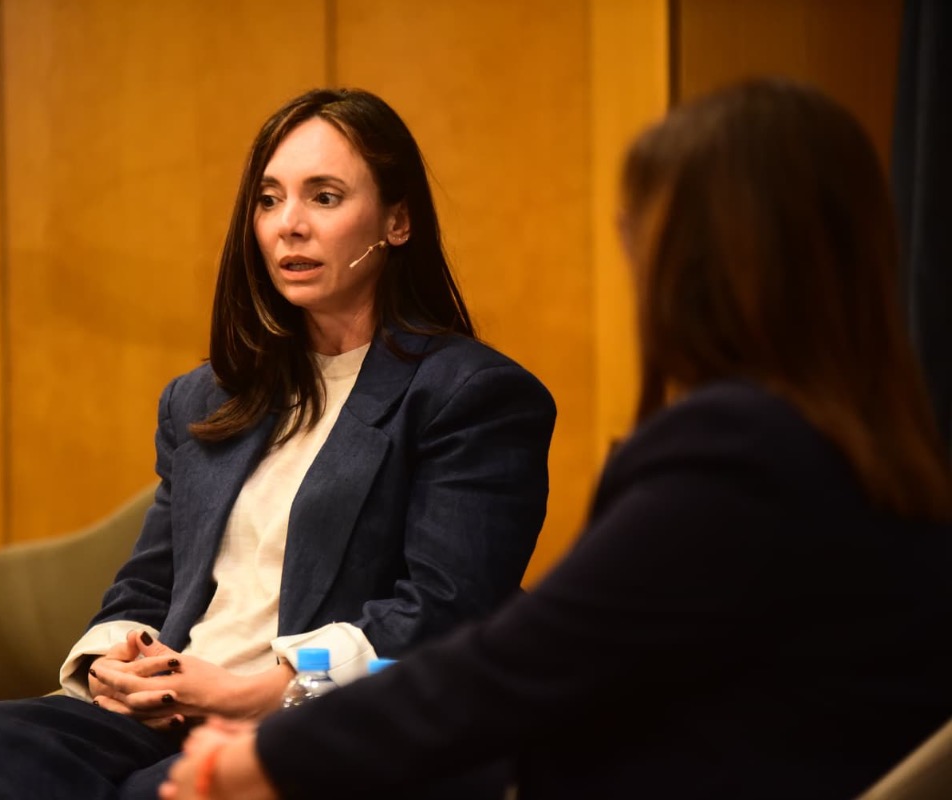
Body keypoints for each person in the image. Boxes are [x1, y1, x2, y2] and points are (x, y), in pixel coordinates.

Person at [159, 78, 952, 800]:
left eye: (643, 230)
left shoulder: (738, 454)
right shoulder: (887, 454)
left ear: (703, 260)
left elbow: (522, 665)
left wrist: (277, 754)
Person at [0, 88, 556, 799]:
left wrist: (254, 689)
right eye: (270, 200)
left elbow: (444, 607)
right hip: (176, 706)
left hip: (328, 719)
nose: (290, 226)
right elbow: (152, 580)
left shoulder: (469, 394)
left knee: (163, 790)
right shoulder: (209, 397)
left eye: (326, 197)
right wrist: (111, 660)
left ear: (397, 221)